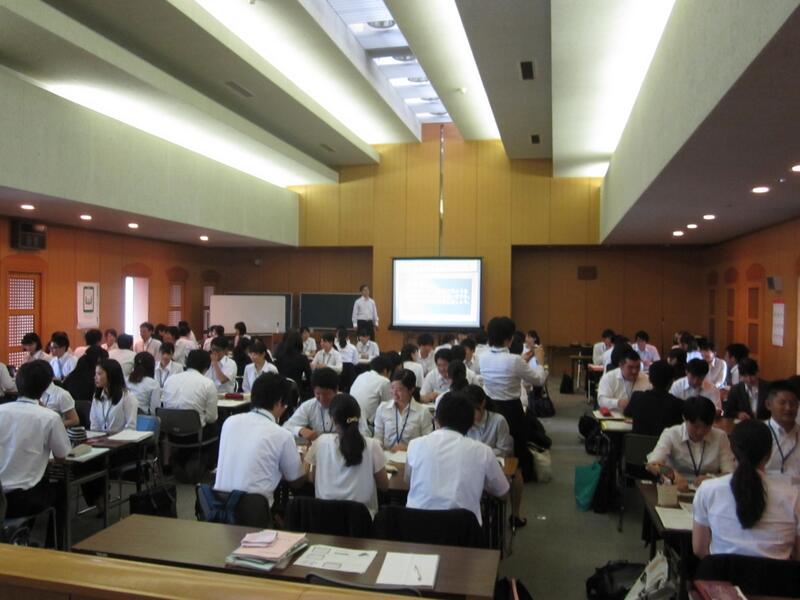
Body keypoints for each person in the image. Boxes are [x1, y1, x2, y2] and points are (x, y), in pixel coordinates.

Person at [693, 419, 800, 560]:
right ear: (769, 454)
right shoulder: (793, 496)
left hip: (722, 573)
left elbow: (700, 549)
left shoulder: (708, 490)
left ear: (732, 450)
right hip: (776, 574)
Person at [405, 391, 510, 525]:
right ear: (471, 423)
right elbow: (502, 492)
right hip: (462, 529)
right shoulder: (483, 451)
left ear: (436, 420)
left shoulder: (415, 445)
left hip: (415, 526)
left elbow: (408, 481)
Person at [214, 373, 305, 506]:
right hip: (254, 511)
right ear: (279, 402)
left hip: (219, 506)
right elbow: (296, 481)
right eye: (285, 406)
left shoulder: (229, 422)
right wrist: (304, 461)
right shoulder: (282, 434)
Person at [0, 360, 70, 520]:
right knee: (61, 489)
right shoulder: (50, 417)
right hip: (24, 497)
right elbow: (61, 457)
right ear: (46, 386)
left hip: (1, 495)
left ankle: (20, 530)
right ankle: (55, 537)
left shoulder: (1, 410)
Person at [480, 316, 545, 480]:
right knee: (516, 446)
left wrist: (523, 361)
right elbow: (539, 380)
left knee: (495, 444)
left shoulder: (483, 357)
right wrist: (540, 362)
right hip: (512, 410)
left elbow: (504, 365)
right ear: (509, 339)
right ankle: (518, 478)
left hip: (490, 408)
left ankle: (495, 476)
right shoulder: (514, 360)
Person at [306, 393, 388, 516]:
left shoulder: (320, 442)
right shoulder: (372, 445)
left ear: (332, 419)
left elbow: (312, 478)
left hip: (324, 518)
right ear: (359, 417)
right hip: (361, 520)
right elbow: (384, 486)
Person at [465, 384, 526, 528]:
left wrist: (480, 453)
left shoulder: (498, 421)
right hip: (470, 467)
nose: (470, 414)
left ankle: (514, 515)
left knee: (512, 476)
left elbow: (504, 450)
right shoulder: (463, 421)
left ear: (482, 404)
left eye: (474, 410)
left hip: (493, 466)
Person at [646, 396, 735, 490]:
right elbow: (652, 464)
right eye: (696, 426)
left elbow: (729, 473)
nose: (700, 432)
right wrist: (673, 475)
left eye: (706, 427)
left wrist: (712, 478)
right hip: (676, 488)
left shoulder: (720, 437)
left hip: (708, 490)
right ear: (684, 418)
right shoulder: (672, 434)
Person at [283, 367, 368, 441]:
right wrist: (300, 430)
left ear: (336, 390)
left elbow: (364, 433)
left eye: (326, 394)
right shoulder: (309, 406)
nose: (322, 398)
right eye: (318, 394)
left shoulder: (350, 405)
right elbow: (286, 427)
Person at [373, 369, 432, 451]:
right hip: (387, 455)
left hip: (412, 456)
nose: (394, 393)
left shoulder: (423, 412)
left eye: (399, 389)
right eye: (392, 388)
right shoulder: (383, 408)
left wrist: (407, 448)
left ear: (411, 389)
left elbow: (428, 443)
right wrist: (379, 446)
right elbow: (377, 437)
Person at [624, 360, 684, 436]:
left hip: (638, 443)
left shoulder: (637, 397)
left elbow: (627, 413)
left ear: (649, 379)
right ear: (672, 381)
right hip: (665, 443)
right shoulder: (679, 404)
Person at [161, 350, 218, 428]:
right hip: (194, 430)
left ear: (187, 362)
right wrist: (201, 415)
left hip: (168, 428)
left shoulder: (170, 380)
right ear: (206, 367)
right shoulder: (208, 383)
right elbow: (212, 418)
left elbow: (165, 406)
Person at [762, 381, 800, 481]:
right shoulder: (759, 433)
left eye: (793, 403)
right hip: (768, 486)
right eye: (782, 403)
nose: (788, 408)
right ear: (768, 404)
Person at [90, 359, 137, 432]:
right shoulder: (97, 397)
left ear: (111, 374)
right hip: (100, 438)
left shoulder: (128, 397)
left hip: (121, 438)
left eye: (99, 374)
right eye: (95, 374)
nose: (95, 377)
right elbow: (94, 425)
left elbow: (130, 428)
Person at [349, 354, 392, 427]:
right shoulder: (384, 381)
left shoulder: (361, 376)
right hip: (368, 425)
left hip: (351, 420)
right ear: (385, 371)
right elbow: (388, 407)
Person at [275, 330, 312, 397]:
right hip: (296, 392)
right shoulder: (302, 358)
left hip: (280, 391)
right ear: (300, 343)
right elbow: (309, 377)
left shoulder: (278, 357)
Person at [335, 327, 358, 392]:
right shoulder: (353, 347)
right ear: (347, 337)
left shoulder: (335, 347)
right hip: (349, 372)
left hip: (338, 372)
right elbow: (355, 362)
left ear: (337, 337)